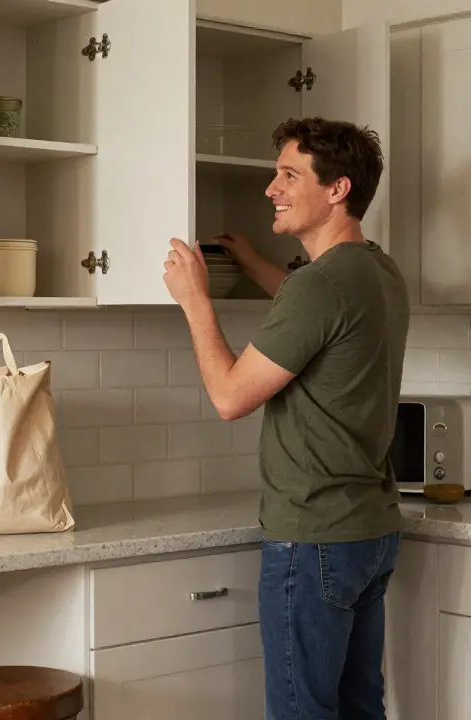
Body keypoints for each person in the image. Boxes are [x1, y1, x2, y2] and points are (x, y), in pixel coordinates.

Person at [162, 116, 410, 720]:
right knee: (359, 708)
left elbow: (229, 397)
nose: (271, 189)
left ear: (337, 189)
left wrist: (196, 302)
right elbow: (316, 312)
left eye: (288, 175)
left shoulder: (318, 287)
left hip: (312, 534)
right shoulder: (376, 271)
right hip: (370, 534)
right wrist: (250, 264)